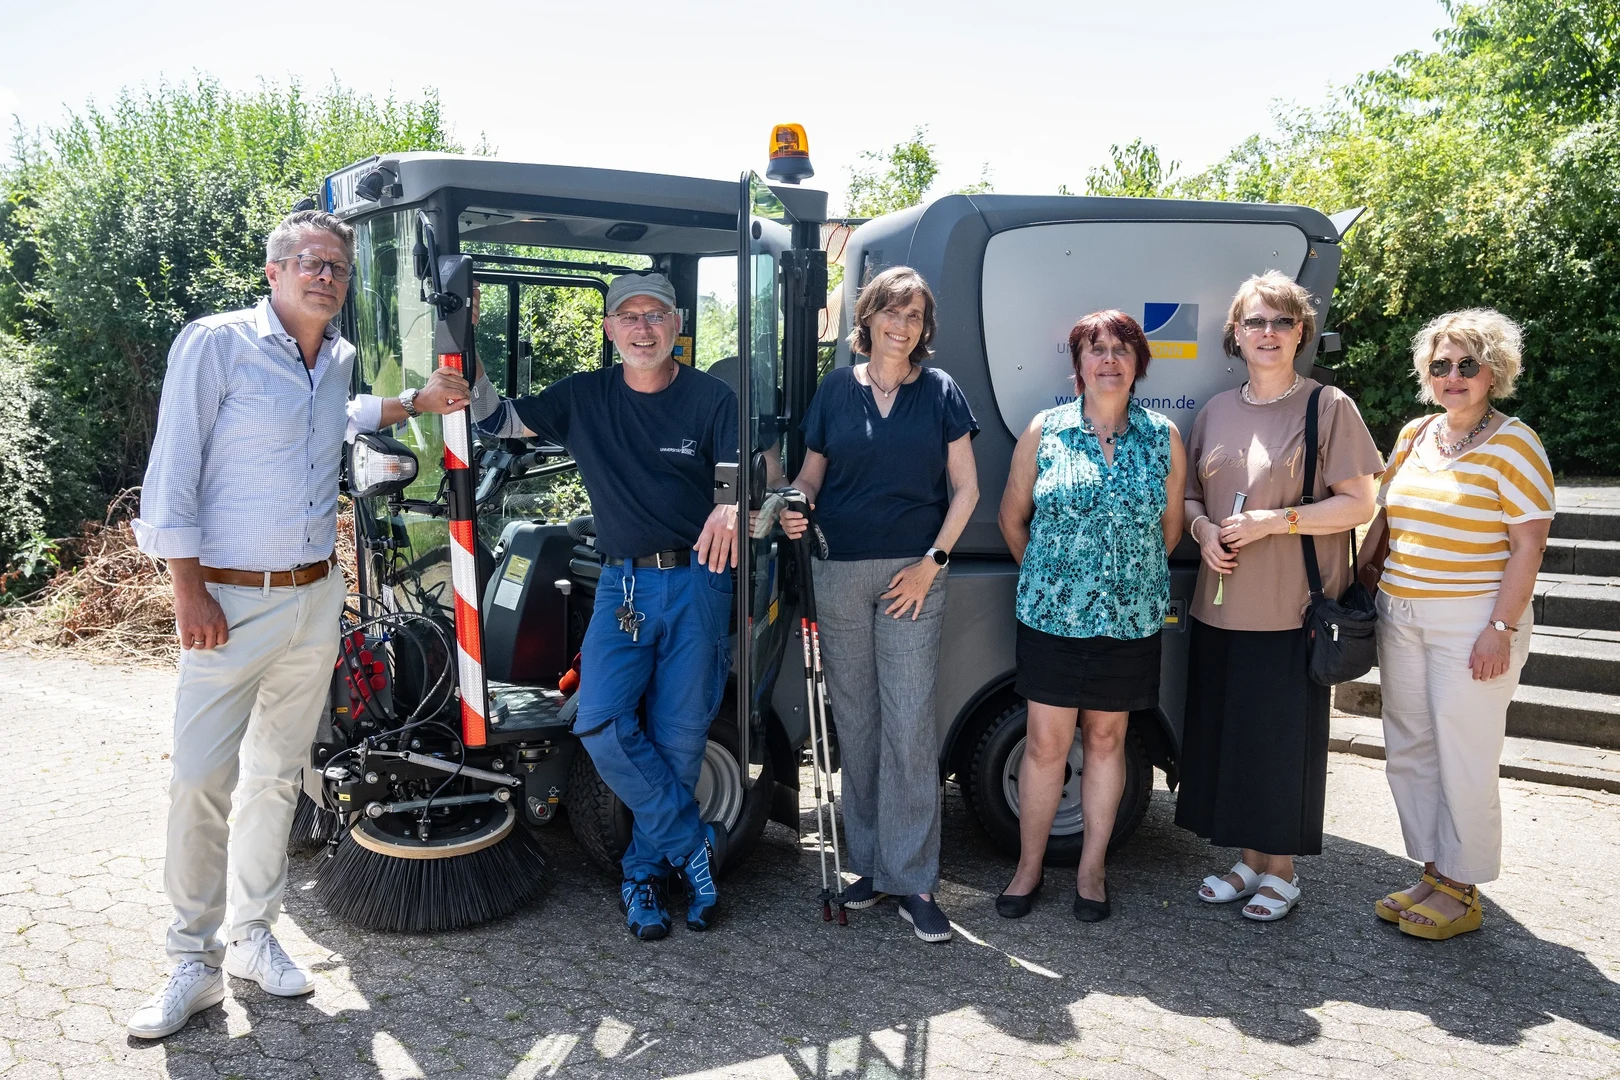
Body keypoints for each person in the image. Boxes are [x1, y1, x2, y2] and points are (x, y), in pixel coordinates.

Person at [128, 210, 467, 1039]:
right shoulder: (216, 344)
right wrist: (188, 590)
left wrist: (413, 403)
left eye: (337, 270)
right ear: (274, 271)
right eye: (311, 263)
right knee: (201, 780)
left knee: (279, 776)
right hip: (228, 600)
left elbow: (340, 412)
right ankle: (190, 960)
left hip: (316, 597)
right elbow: (172, 471)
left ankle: (251, 936)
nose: (326, 278)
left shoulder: (336, 356)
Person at [468, 272, 739, 941]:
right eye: (629, 316)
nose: (643, 328)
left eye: (656, 315)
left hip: (700, 581)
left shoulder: (714, 400)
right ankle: (693, 844)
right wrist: (464, 336)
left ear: (677, 325)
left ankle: (643, 878)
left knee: (679, 741)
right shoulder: (584, 396)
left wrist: (735, 501)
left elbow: (745, 476)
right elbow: (496, 418)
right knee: (598, 721)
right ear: (611, 330)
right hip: (624, 588)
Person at [778, 266, 979, 943]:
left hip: (912, 579)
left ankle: (915, 880)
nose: (902, 324)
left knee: (909, 725)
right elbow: (811, 475)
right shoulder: (837, 390)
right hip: (838, 572)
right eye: (892, 312)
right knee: (857, 725)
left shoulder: (942, 392)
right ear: (868, 319)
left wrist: (932, 565)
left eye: (915, 314)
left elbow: (967, 492)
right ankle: (865, 865)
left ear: (925, 328)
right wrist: (796, 507)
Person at [1175, 271, 1381, 922]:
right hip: (1218, 605)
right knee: (1233, 739)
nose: (1268, 333)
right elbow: (1186, 498)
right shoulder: (1213, 410)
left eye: (1281, 322)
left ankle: (1282, 871)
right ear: (1234, 334)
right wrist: (1204, 530)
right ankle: (1246, 861)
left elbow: (1358, 505)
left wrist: (1276, 522)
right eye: (1255, 322)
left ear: (1301, 333)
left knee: (1279, 744)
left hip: (1290, 612)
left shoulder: (1328, 407)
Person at [995, 310, 1186, 923]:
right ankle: (1027, 870)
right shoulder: (1045, 430)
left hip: (1129, 620)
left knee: (1108, 741)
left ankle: (1092, 870)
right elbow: (1011, 517)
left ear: (1138, 364)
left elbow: (1171, 529)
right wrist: (1053, 578)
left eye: (1122, 349)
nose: (1110, 359)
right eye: (1096, 349)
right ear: (1078, 364)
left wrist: (1122, 578)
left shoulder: (1163, 437)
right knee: (1047, 745)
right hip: (1052, 619)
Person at [1372, 309, 1554, 940]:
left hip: (1473, 621)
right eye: (1441, 364)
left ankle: (1464, 887)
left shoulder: (1515, 443)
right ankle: (1434, 872)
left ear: (1494, 372)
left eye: (1468, 365)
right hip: (1400, 613)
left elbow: (1529, 546)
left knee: (1464, 756)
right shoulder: (1417, 434)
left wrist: (1499, 629)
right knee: (1411, 750)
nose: (1453, 375)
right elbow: (1384, 520)